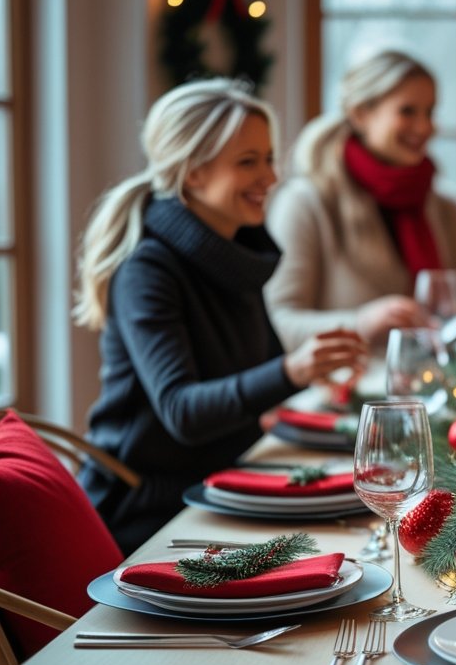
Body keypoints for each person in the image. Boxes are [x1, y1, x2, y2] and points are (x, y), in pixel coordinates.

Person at [74, 78, 368, 554]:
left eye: (269, 158)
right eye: (248, 162)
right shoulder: (148, 269)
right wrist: (294, 369)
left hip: (221, 489)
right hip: (149, 514)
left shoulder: (235, 255)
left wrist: (319, 371)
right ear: (193, 173)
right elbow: (182, 411)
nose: (271, 178)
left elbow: (266, 366)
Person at [265, 50, 456, 353]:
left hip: (442, 390)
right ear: (361, 114)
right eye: (408, 111)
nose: (425, 127)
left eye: (429, 112)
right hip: (340, 396)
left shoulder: (447, 207)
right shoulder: (307, 203)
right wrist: (360, 323)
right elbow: (277, 324)